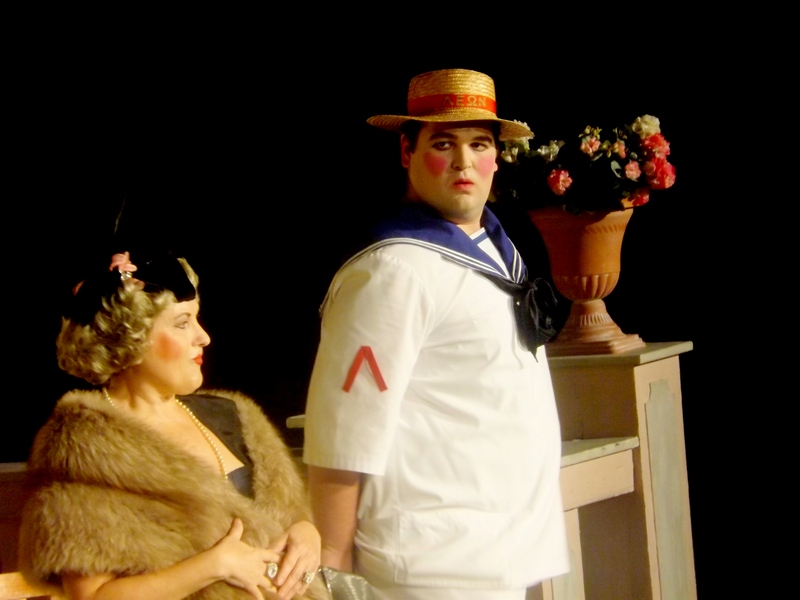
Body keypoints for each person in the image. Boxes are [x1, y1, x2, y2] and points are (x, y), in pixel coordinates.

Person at [303, 68, 570, 599]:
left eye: (479, 144)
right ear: (407, 152)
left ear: (498, 156)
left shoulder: (496, 250)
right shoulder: (393, 269)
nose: (464, 162)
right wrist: (332, 564)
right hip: (430, 566)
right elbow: (344, 429)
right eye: (443, 144)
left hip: (500, 553)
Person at [18, 250, 329, 600]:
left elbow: (287, 515)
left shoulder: (233, 416)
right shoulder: (83, 451)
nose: (203, 337)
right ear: (129, 337)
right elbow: (93, 597)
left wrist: (307, 533)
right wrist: (213, 566)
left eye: (197, 319)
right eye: (182, 323)